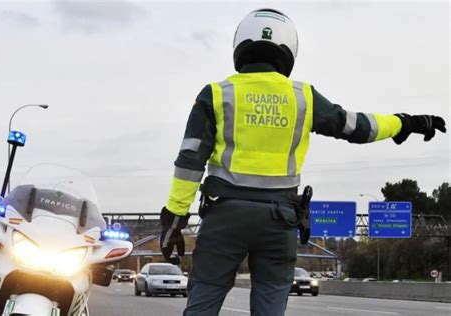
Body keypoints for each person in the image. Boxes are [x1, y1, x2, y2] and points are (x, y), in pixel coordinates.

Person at [159, 8, 446, 316]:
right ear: (288, 49)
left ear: (240, 45)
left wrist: (174, 219)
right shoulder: (302, 98)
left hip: (224, 217)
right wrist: (405, 123)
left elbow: (190, 160)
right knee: (270, 303)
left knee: (205, 299)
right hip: (279, 221)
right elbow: (356, 126)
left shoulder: (216, 94)